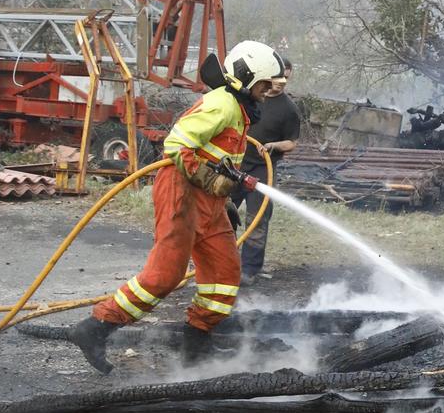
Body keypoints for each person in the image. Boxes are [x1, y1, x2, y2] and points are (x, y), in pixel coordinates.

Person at [62, 40, 286, 373]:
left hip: (208, 200)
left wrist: (221, 200)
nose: (268, 92)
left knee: (225, 275)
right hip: (181, 191)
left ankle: (195, 344)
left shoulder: (237, 109)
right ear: (245, 77)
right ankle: (95, 328)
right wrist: (209, 183)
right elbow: (177, 145)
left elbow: (217, 160)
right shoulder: (222, 104)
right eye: (266, 84)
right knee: (165, 275)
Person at [238, 54, 301, 281]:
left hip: (263, 169)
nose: (280, 81)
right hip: (236, 165)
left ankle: (249, 271)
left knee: (257, 219)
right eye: (277, 76)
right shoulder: (251, 97)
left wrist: (274, 145)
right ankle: (219, 263)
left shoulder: (289, 109)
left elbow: (292, 142)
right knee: (222, 215)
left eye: (285, 78)